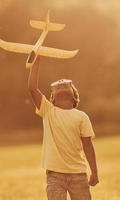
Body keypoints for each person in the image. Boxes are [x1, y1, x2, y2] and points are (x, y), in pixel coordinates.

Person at [28, 57, 99, 200]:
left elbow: (88, 145)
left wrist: (95, 172)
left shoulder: (81, 116)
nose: (61, 85)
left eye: (66, 85)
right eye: (57, 87)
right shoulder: (48, 110)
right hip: (54, 175)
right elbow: (32, 88)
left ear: (74, 97)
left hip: (78, 174)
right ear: (52, 98)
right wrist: (36, 62)